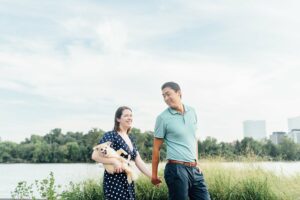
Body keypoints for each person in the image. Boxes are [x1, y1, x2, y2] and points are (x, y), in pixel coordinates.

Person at [151, 82, 211, 200]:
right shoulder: (162, 118)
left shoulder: (192, 111)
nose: (166, 98)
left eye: (168, 94)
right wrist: (154, 175)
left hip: (194, 169)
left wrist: (196, 161)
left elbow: (193, 139)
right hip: (176, 169)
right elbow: (156, 148)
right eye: (163, 96)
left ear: (179, 93)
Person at [92, 106, 151, 200]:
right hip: (114, 182)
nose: (130, 118)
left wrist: (152, 177)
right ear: (118, 119)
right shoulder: (111, 135)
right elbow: (94, 156)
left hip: (128, 180)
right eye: (126, 115)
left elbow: (138, 161)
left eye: (131, 115)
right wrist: (114, 161)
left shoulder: (130, 139)